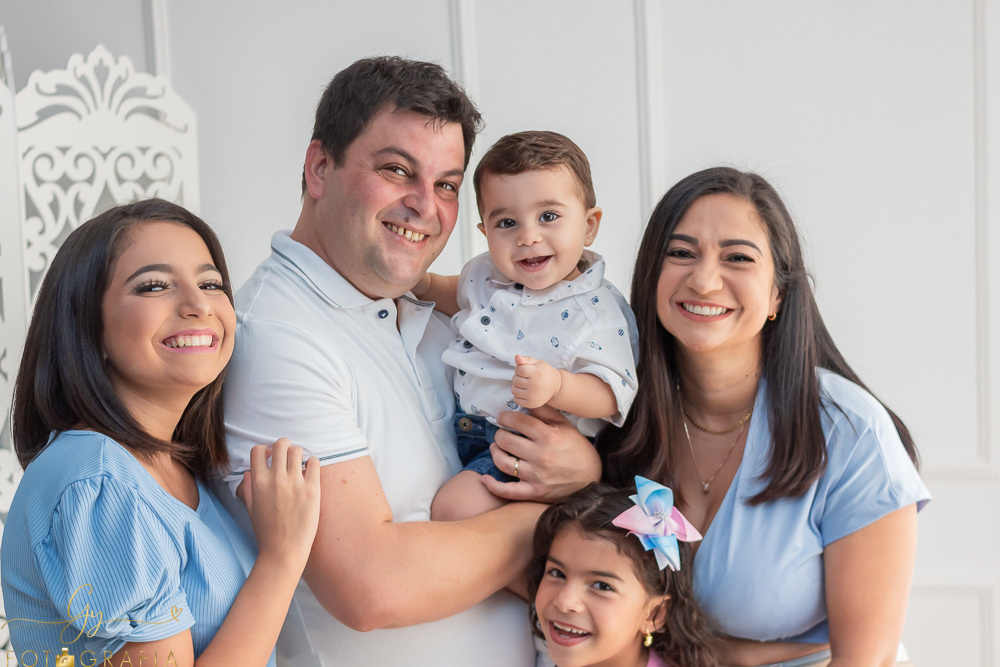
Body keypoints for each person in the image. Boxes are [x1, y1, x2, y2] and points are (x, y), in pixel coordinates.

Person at [220, 56, 601, 665]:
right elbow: (372, 585)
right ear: (320, 167)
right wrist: (568, 508)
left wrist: (578, 469)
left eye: (447, 184)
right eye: (398, 171)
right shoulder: (274, 336)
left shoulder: (444, 317)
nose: (426, 205)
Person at [599, 167, 931, 666]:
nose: (705, 279)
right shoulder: (609, 412)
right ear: (652, 277)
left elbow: (867, 660)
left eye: (737, 258)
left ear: (778, 293)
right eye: (682, 253)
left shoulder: (850, 431)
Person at [1, 199, 320, 666]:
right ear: (88, 325)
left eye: (211, 283)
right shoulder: (99, 483)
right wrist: (282, 558)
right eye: (154, 286)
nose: (198, 306)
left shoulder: (170, 466)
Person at [412, 131, 638, 520]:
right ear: (485, 232)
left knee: (453, 508)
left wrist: (558, 386)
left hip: (529, 447)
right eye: (507, 223)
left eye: (548, 216)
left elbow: (610, 392)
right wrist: (419, 281)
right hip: (468, 429)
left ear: (589, 226)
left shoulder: (595, 310)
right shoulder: (484, 273)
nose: (528, 237)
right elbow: (456, 294)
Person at [526, 478, 720, 667]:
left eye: (602, 586)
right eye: (557, 573)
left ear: (654, 614)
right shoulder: (531, 646)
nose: (565, 602)